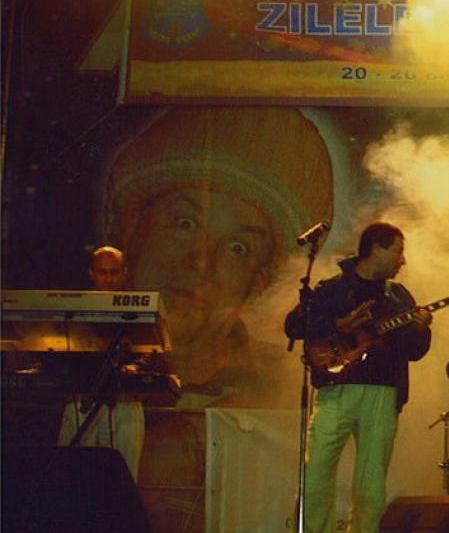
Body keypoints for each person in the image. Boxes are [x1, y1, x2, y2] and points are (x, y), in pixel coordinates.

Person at [103, 105, 334, 407]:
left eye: (238, 247)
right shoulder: (83, 360)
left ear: (258, 282)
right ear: (131, 230)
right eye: (185, 223)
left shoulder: (280, 392)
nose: (201, 262)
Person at [285, 222, 433, 533]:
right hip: (336, 390)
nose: (403, 260)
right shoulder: (333, 289)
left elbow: (414, 351)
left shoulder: (398, 297)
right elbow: (295, 325)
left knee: (371, 486)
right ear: (376, 249)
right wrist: (338, 323)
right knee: (316, 477)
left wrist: (420, 329)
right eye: (398, 251)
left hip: (383, 392)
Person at [56, 246, 146, 480]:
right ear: (91, 273)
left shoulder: (141, 310)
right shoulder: (76, 309)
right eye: (103, 272)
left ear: (124, 273)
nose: (108, 279)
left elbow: (152, 350)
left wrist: (135, 367)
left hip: (123, 403)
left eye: (114, 272)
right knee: (73, 475)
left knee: (123, 478)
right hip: (83, 398)